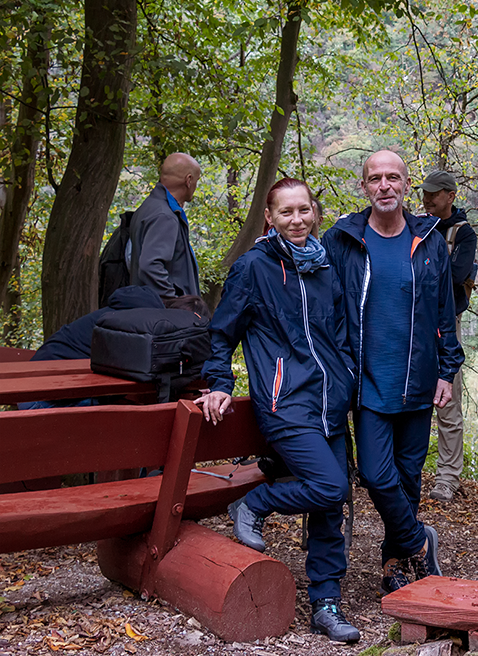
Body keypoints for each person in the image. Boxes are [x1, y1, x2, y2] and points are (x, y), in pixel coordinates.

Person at [196, 178, 360, 644]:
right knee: (329, 487)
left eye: (304, 210)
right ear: (269, 217)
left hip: (330, 402)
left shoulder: (327, 267)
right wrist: (219, 384)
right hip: (285, 403)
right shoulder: (253, 268)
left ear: (315, 212)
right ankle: (253, 502)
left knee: (334, 504)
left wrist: (346, 375)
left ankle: (326, 605)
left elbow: (342, 334)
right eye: (286, 212)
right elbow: (222, 333)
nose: (297, 220)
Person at [321, 150, 464, 595]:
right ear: (363, 187)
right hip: (365, 383)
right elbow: (321, 306)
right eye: (374, 178)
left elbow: (445, 312)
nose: (384, 185)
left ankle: (394, 562)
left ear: (405, 186)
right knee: (376, 475)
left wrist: (447, 370)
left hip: (419, 380)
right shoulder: (342, 240)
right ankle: (419, 540)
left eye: (393, 178)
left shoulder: (430, 241)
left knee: (408, 477)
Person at [18, 286, 209, 410]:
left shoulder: (135, 318)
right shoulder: (143, 329)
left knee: (131, 414)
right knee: (131, 416)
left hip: (45, 392)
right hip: (43, 398)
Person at [416, 170, 478, 504]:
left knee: (447, 401)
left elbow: (455, 276)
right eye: (425, 194)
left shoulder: (463, 234)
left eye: (433, 194)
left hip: (445, 325)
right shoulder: (416, 225)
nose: (426, 200)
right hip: (411, 322)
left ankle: (447, 479)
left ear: (450, 195)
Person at [129, 152, 202, 297]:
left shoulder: (150, 206)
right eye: (196, 181)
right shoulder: (164, 216)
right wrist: (173, 301)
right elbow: (150, 266)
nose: (195, 185)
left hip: (148, 306)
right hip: (162, 312)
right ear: (188, 180)